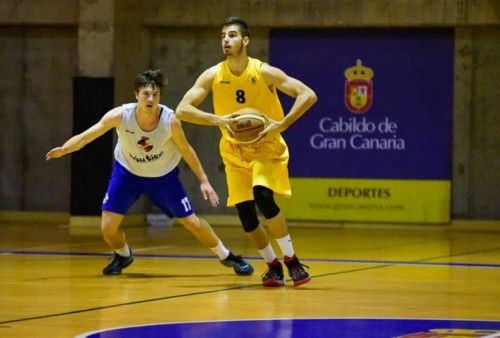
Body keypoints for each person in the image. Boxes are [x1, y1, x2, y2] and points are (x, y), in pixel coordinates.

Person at [46, 69, 254, 277]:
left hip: (163, 177)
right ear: (136, 95)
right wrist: (65, 149)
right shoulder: (120, 115)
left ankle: (227, 256)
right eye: (146, 94)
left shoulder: (170, 120)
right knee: (108, 227)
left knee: (191, 222)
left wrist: (204, 181)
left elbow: (186, 150)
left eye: (155, 95)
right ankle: (123, 255)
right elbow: (85, 137)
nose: (150, 99)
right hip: (127, 173)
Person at [176, 17, 317, 287]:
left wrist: (281, 124)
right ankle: (273, 266)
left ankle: (292, 260)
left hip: (266, 147)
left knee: (263, 197)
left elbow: (307, 94)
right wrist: (218, 120)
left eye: (231, 35)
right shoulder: (212, 75)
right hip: (234, 150)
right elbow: (183, 109)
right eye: (222, 36)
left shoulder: (263, 71)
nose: (225, 40)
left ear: (245, 40)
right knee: (246, 214)